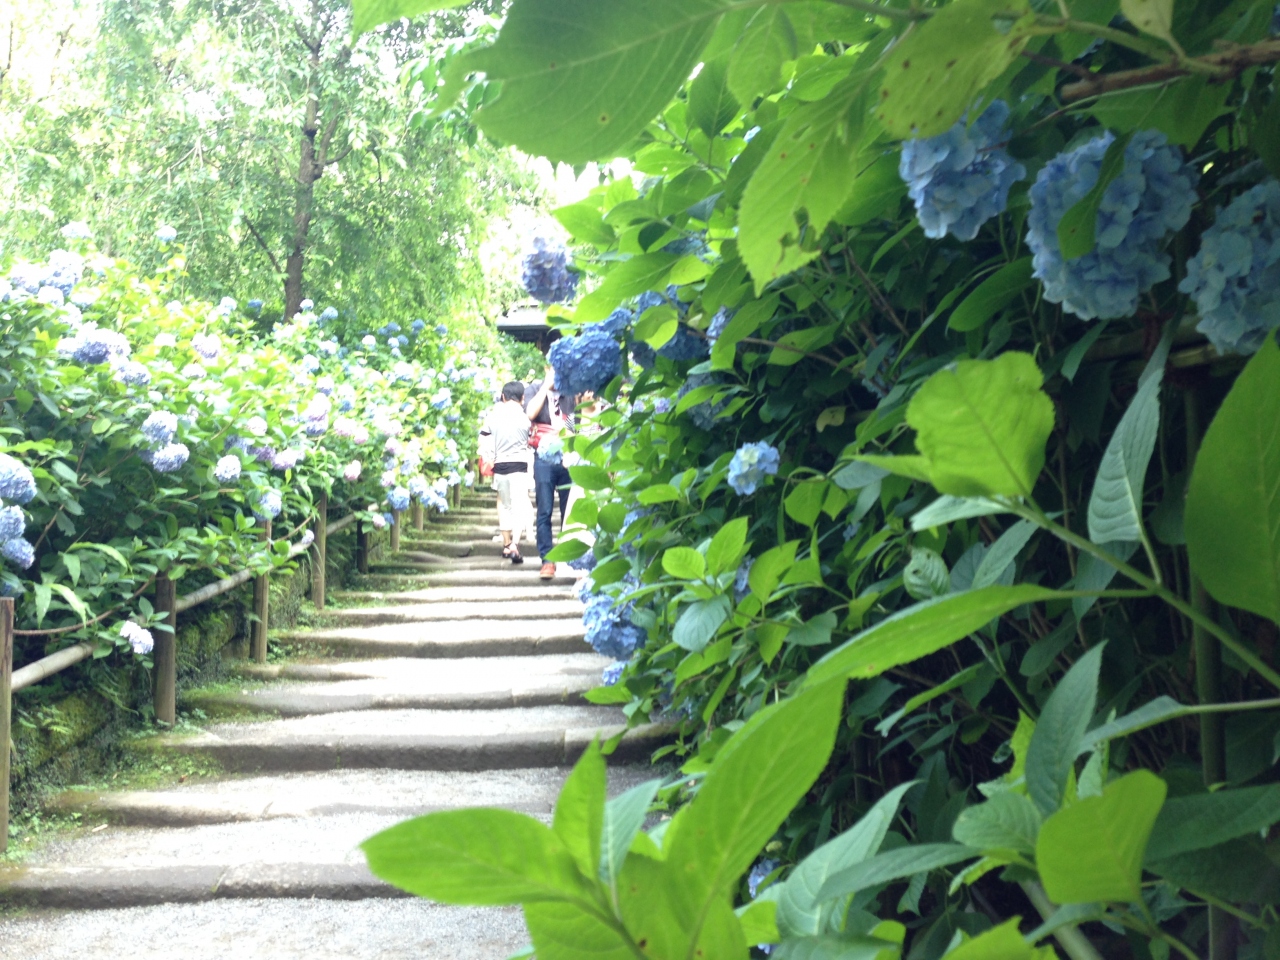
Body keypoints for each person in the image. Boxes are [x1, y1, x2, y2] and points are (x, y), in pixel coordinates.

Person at [525, 364, 574, 580]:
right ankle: (547, 560)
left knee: (569, 509)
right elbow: (530, 414)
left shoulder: (571, 392)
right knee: (544, 509)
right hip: (543, 457)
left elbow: (577, 420)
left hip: (568, 457)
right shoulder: (534, 389)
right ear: (547, 369)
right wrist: (546, 385)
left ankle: (568, 556)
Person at [479, 381, 532, 564]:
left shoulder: (493, 416)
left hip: (500, 466)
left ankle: (506, 543)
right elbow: (531, 440)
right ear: (522, 398)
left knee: (504, 504)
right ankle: (515, 544)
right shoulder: (526, 418)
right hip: (520, 465)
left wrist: (489, 457)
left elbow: (484, 438)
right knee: (520, 505)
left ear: (503, 397)